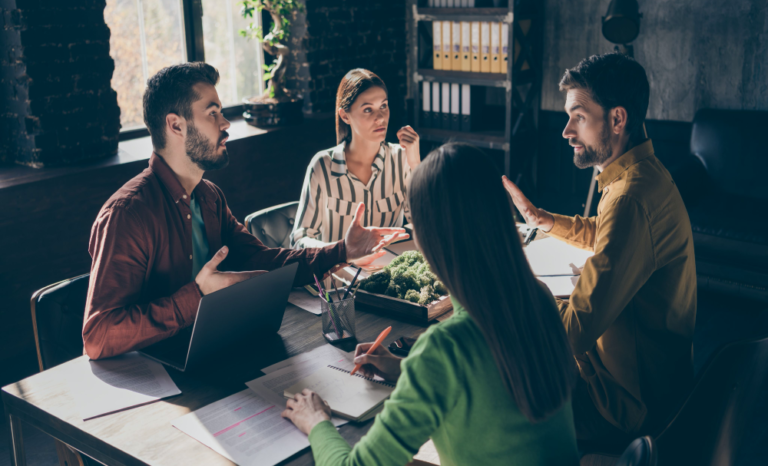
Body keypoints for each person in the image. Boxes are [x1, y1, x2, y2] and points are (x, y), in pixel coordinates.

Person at [82, 63, 406, 360]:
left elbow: (263, 261)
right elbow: (97, 336)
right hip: (160, 379)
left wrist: (343, 250)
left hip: (215, 352)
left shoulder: (210, 198)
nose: (225, 124)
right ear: (175, 126)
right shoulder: (128, 214)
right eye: (212, 114)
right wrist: (197, 296)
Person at [282, 143, 580, 466]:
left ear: (426, 240)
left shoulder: (444, 348)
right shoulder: (539, 298)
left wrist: (317, 423)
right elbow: (485, 384)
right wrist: (403, 369)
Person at [503, 53, 697, 442]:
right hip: (655, 378)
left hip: (628, 404)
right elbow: (609, 233)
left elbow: (574, 331)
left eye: (578, 116)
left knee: (502, 398)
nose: (566, 131)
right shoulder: (644, 173)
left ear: (617, 119)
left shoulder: (630, 198)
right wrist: (544, 219)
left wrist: (512, 283)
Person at [291, 69, 421, 258]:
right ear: (345, 116)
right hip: (339, 279)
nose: (380, 118)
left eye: (383, 106)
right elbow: (298, 241)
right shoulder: (322, 166)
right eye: (368, 109)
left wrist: (416, 164)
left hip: (385, 278)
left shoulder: (402, 159)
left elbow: (426, 225)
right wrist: (343, 250)